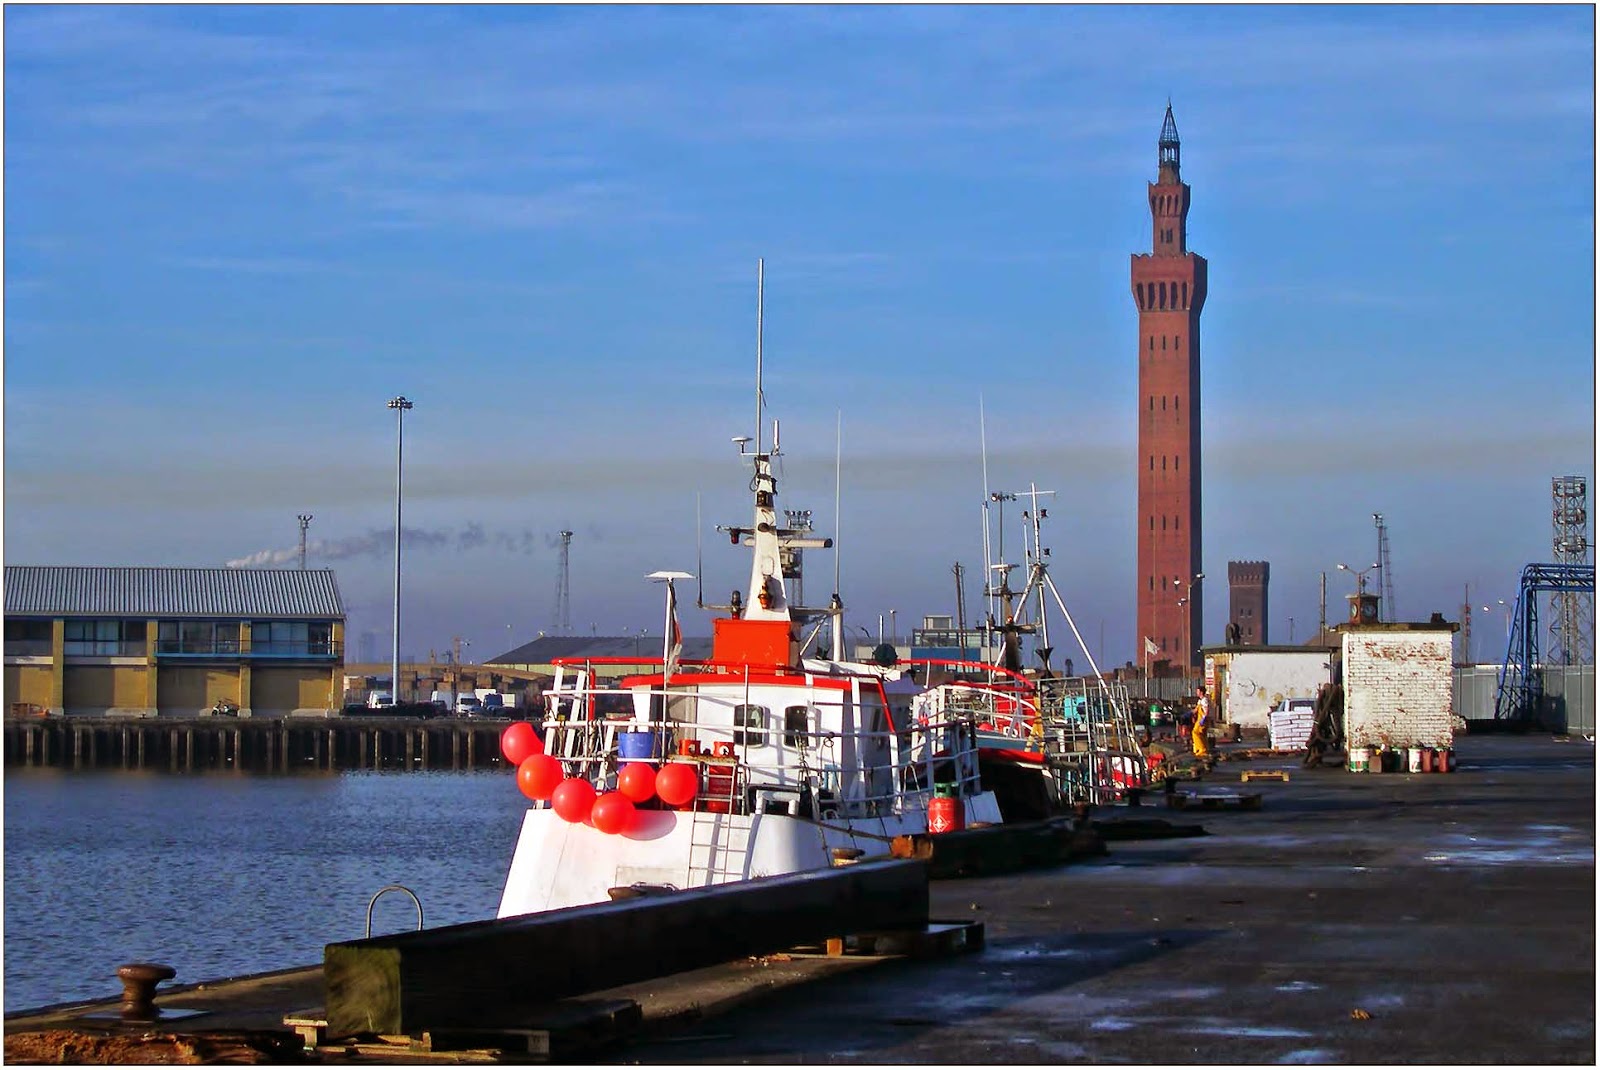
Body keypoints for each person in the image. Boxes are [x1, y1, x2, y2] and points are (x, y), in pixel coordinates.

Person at [1191, 685, 1211, 759]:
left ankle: (1202, 750)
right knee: (1202, 735)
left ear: (1201, 692)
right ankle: (1201, 749)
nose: (1196, 693)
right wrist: (1190, 713)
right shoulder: (1200, 701)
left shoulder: (1204, 700)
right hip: (1200, 719)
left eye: (1198, 691)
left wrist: (1203, 719)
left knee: (1195, 733)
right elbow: (1196, 710)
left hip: (1202, 720)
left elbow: (1206, 710)